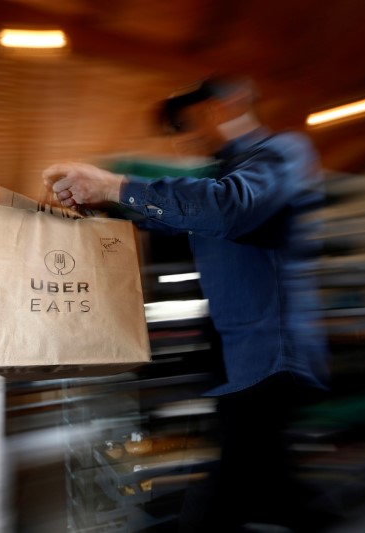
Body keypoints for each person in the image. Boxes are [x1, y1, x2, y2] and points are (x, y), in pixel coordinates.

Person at [43, 75, 330, 532]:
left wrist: (117, 185)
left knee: (218, 504)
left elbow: (229, 207)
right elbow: (174, 222)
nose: (182, 140)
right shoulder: (216, 178)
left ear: (226, 105)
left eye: (187, 123)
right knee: (276, 490)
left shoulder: (279, 154)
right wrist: (104, 204)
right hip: (237, 362)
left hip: (269, 360)